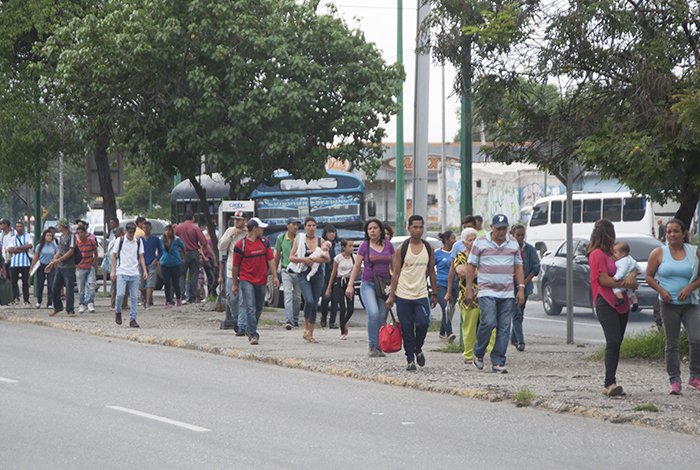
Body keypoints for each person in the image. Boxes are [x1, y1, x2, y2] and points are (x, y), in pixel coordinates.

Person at [465, 214, 525, 374]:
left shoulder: (512, 243)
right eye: (498, 228)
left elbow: (518, 266)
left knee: (505, 327)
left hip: (506, 292)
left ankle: (498, 361)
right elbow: (471, 265)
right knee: (489, 321)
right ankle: (478, 352)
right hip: (487, 290)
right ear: (492, 227)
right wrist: (469, 288)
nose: (501, 232)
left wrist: (521, 288)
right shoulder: (481, 242)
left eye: (504, 228)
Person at [645, 218, 700, 395]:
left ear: (684, 233)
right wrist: (662, 291)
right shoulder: (658, 253)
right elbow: (649, 276)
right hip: (669, 304)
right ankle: (675, 381)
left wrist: (690, 287)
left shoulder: (694, 252)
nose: (672, 234)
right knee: (672, 344)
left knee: (696, 339)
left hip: (690, 303)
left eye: (676, 231)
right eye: (669, 231)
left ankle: (695, 377)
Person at [587, 219, 638, 396]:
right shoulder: (596, 254)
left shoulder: (614, 253)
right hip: (605, 300)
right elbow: (603, 280)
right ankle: (609, 383)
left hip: (622, 301)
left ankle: (612, 380)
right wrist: (627, 282)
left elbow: (631, 264)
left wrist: (632, 276)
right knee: (613, 340)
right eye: (611, 233)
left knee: (617, 342)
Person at [387, 215, 438, 371]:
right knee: (407, 328)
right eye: (415, 227)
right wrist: (391, 295)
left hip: (421, 294)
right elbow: (395, 274)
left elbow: (431, 272)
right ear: (409, 228)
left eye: (421, 227)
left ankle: (418, 348)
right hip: (403, 295)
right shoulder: (402, 249)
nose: (418, 230)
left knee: (423, 323)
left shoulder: (429, 248)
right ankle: (410, 359)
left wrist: (434, 293)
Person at [346, 218, 395, 357]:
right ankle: (372, 345)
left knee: (381, 316)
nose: (372, 231)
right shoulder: (364, 246)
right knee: (373, 313)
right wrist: (350, 285)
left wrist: (394, 285)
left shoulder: (389, 246)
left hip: (384, 286)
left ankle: (380, 346)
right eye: (369, 229)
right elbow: (356, 266)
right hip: (368, 284)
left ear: (380, 229)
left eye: (375, 228)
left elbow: (395, 267)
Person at [447, 227, 495, 363]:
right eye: (469, 240)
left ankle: (492, 351)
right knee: (469, 326)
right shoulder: (461, 255)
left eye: (475, 239)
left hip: (485, 294)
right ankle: (468, 355)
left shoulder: (484, 255)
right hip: (467, 297)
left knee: (491, 325)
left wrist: (474, 271)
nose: (473, 242)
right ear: (464, 242)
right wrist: (482, 272)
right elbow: (461, 271)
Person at [231, 217, 278, 345]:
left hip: (261, 280)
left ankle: (249, 327)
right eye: (260, 228)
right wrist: (234, 283)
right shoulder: (240, 245)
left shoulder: (264, 242)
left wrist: (274, 276)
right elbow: (235, 266)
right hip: (246, 279)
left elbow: (271, 260)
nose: (262, 230)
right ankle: (253, 334)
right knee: (250, 307)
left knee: (258, 307)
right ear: (255, 229)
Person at [289, 217, 329, 343]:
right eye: (309, 225)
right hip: (303, 273)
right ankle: (306, 326)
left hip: (317, 274)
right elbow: (291, 257)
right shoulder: (299, 239)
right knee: (309, 301)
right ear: (305, 227)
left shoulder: (321, 240)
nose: (311, 228)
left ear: (316, 227)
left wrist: (315, 260)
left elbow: (327, 259)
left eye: (313, 225)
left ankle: (310, 333)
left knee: (315, 302)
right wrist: (304, 260)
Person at [111, 222, 148, 327]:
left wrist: (144, 270)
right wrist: (113, 271)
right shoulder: (120, 241)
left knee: (134, 297)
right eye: (130, 232)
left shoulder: (138, 241)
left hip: (134, 272)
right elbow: (113, 256)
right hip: (122, 271)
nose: (131, 235)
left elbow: (141, 256)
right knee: (120, 294)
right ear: (126, 231)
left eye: (133, 232)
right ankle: (118, 311)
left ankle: (133, 319)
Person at [509, 224, 540, 352]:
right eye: (518, 235)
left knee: (520, 313)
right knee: (516, 314)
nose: (520, 238)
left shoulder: (529, 250)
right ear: (512, 236)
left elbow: (535, 267)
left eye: (522, 235)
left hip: (524, 287)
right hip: (510, 286)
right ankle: (520, 342)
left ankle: (513, 337)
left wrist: (524, 281)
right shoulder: (508, 249)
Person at [175, 211, 215, 304]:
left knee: (181, 275)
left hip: (181, 254)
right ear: (193, 218)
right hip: (193, 253)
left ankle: (181, 297)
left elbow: (172, 239)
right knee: (193, 275)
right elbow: (204, 243)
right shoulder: (195, 228)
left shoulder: (178, 227)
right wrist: (213, 254)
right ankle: (191, 297)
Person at [219, 212, 248, 333]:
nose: (237, 222)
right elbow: (221, 247)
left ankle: (242, 325)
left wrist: (247, 232)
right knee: (232, 298)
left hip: (245, 270)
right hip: (232, 270)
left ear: (245, 220)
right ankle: (237, 319)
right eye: (235, 219)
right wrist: (230, 236)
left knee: (243, 299)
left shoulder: (248, 232)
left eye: (239, 220)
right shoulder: (230, 231)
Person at [325, 238, 355, 339]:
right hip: (339, 282)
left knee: (350, 309)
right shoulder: (338, 258)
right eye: (349, 246)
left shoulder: (354, 258)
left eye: (352, 246)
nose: (351, 248)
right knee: (342, 307)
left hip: (349, 282)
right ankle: (343, 331)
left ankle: (344, 322)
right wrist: (329, 287)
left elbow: (358, 270)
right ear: (343, 247)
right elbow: (333, 273)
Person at [275, 217, 302, 330]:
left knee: (297, 297)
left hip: (299, 270)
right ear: (287, 226)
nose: (295, 227)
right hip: (286, 270)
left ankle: (295, 319)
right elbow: (277, 256)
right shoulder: (281, 238)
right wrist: (274, 274)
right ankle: (289, 320)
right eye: (293, 224)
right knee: (287, 295)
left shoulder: (301, 238)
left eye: (297, 225)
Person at [47, 219, 77, 317]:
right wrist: (52, 262)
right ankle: (58, 307)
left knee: (69, 288)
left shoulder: (71, 236)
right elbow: (59, 251)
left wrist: (59, 260)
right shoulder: (61, 237)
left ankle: (70, 309)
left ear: (63, 226)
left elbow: (71, 251)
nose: (57, 227)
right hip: (60, 267)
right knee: (55, 287)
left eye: (59, 225)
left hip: (69, 266)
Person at [435, 230, 457, 342]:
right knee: (445, 307)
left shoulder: (456, 252)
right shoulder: (437, 253)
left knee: (451, 309)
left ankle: (442, 331)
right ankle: (450, 333)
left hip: (455, 284)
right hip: (441, 284)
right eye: (453, 238)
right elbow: (429, 269)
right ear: (446, 240)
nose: (455, 240)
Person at [29, 229, 58, 309]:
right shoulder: (39, 246)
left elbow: (57, 254)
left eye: (51, 236)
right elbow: (35, 257)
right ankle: (39, 301)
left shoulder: (54, 245)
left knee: (51, 284)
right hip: (41, 265)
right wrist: (32, 267)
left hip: (51, 265)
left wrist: (54, 263)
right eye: (48, 236)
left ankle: (49, 302)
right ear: (44, 236)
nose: (49, 237)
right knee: (40, 284)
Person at [7, 221, 34, 306]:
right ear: (15, 228)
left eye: (21, 226)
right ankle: (15, 298)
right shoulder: (12, 238)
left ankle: (26, 300)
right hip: (14, 263)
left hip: (25, 262)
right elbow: (10, 249)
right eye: (18, 226)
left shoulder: (28, 236)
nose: (19, 228)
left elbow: (30, 246)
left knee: (25, 282)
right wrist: (23, 248)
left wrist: (16, 248)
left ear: (23, 227)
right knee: (13, 282)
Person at [160, 224, 185, 308]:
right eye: (166, 230)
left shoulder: (176, 239)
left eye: (169, 230)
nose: (167, 232)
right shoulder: (161, 239)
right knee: (166, 283)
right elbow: (159, 250)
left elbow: (183, 247)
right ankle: (168, 301)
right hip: (165, 263)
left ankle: (178, 298)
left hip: (175, 263)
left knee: (175, 282)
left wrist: (182, 257)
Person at [320, 224, 340, 328]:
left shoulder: (338, 245)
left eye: (333, 232)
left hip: (336, 274)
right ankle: (323, 317)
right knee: (325, 298)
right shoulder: (322, 244)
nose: (331, 234)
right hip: (325, 274)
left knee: (335, 299)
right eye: (329, 232)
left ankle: (332, 322)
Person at [75, 225, 98, 313]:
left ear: (85, 233)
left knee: (91, 285)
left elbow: (95, 253)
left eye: (81, 232)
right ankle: (82, 303)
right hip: (80, 267)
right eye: (78, 233)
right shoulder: (77, 243)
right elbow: (73, 255)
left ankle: (90, 302)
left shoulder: (91, 242)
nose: (80, 234)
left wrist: (95, 264)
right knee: (81, 288)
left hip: (90, 266)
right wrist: (76, 265)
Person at [612, 241, 641, 311]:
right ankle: (635, 303)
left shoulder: (621, 261)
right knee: (631, 293)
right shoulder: (630, 258)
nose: (613, 254)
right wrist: (636, 272)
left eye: (615, 252)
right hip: (631, 280)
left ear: (623, 254)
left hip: (623, 279)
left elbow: (622, 271)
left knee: (615, 288)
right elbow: (638, 268)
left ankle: (620, 298)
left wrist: (616, 277)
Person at [140, 221, 163, 308]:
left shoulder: (155, 239)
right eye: (144, 228)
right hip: (141, 264)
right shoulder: (140, 240)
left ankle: (148, 302)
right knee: (141, 284)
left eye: (147, 228)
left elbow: (161, 251)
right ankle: (146, 297)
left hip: (151, 263)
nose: (146, 230)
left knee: (150, 283)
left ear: (150, 228)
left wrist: (157, 259)